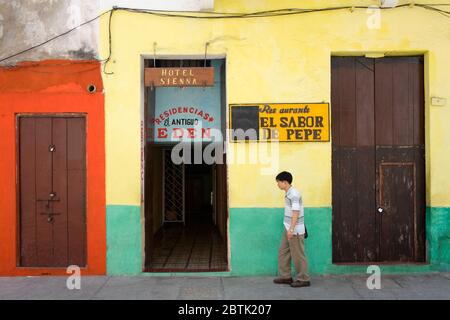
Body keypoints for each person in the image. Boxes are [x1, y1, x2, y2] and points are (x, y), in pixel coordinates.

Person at [273, 171, 311, 288]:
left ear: (285, 182)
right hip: (288, 227)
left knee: (298, 254)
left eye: (278, 182)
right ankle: (286, 277)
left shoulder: (294, 194)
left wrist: (291, 229)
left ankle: (303, 279)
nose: (277, 184)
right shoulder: (289, 193)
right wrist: (288, 229)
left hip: (294, 230)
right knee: (283, 252)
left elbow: (296, 212)